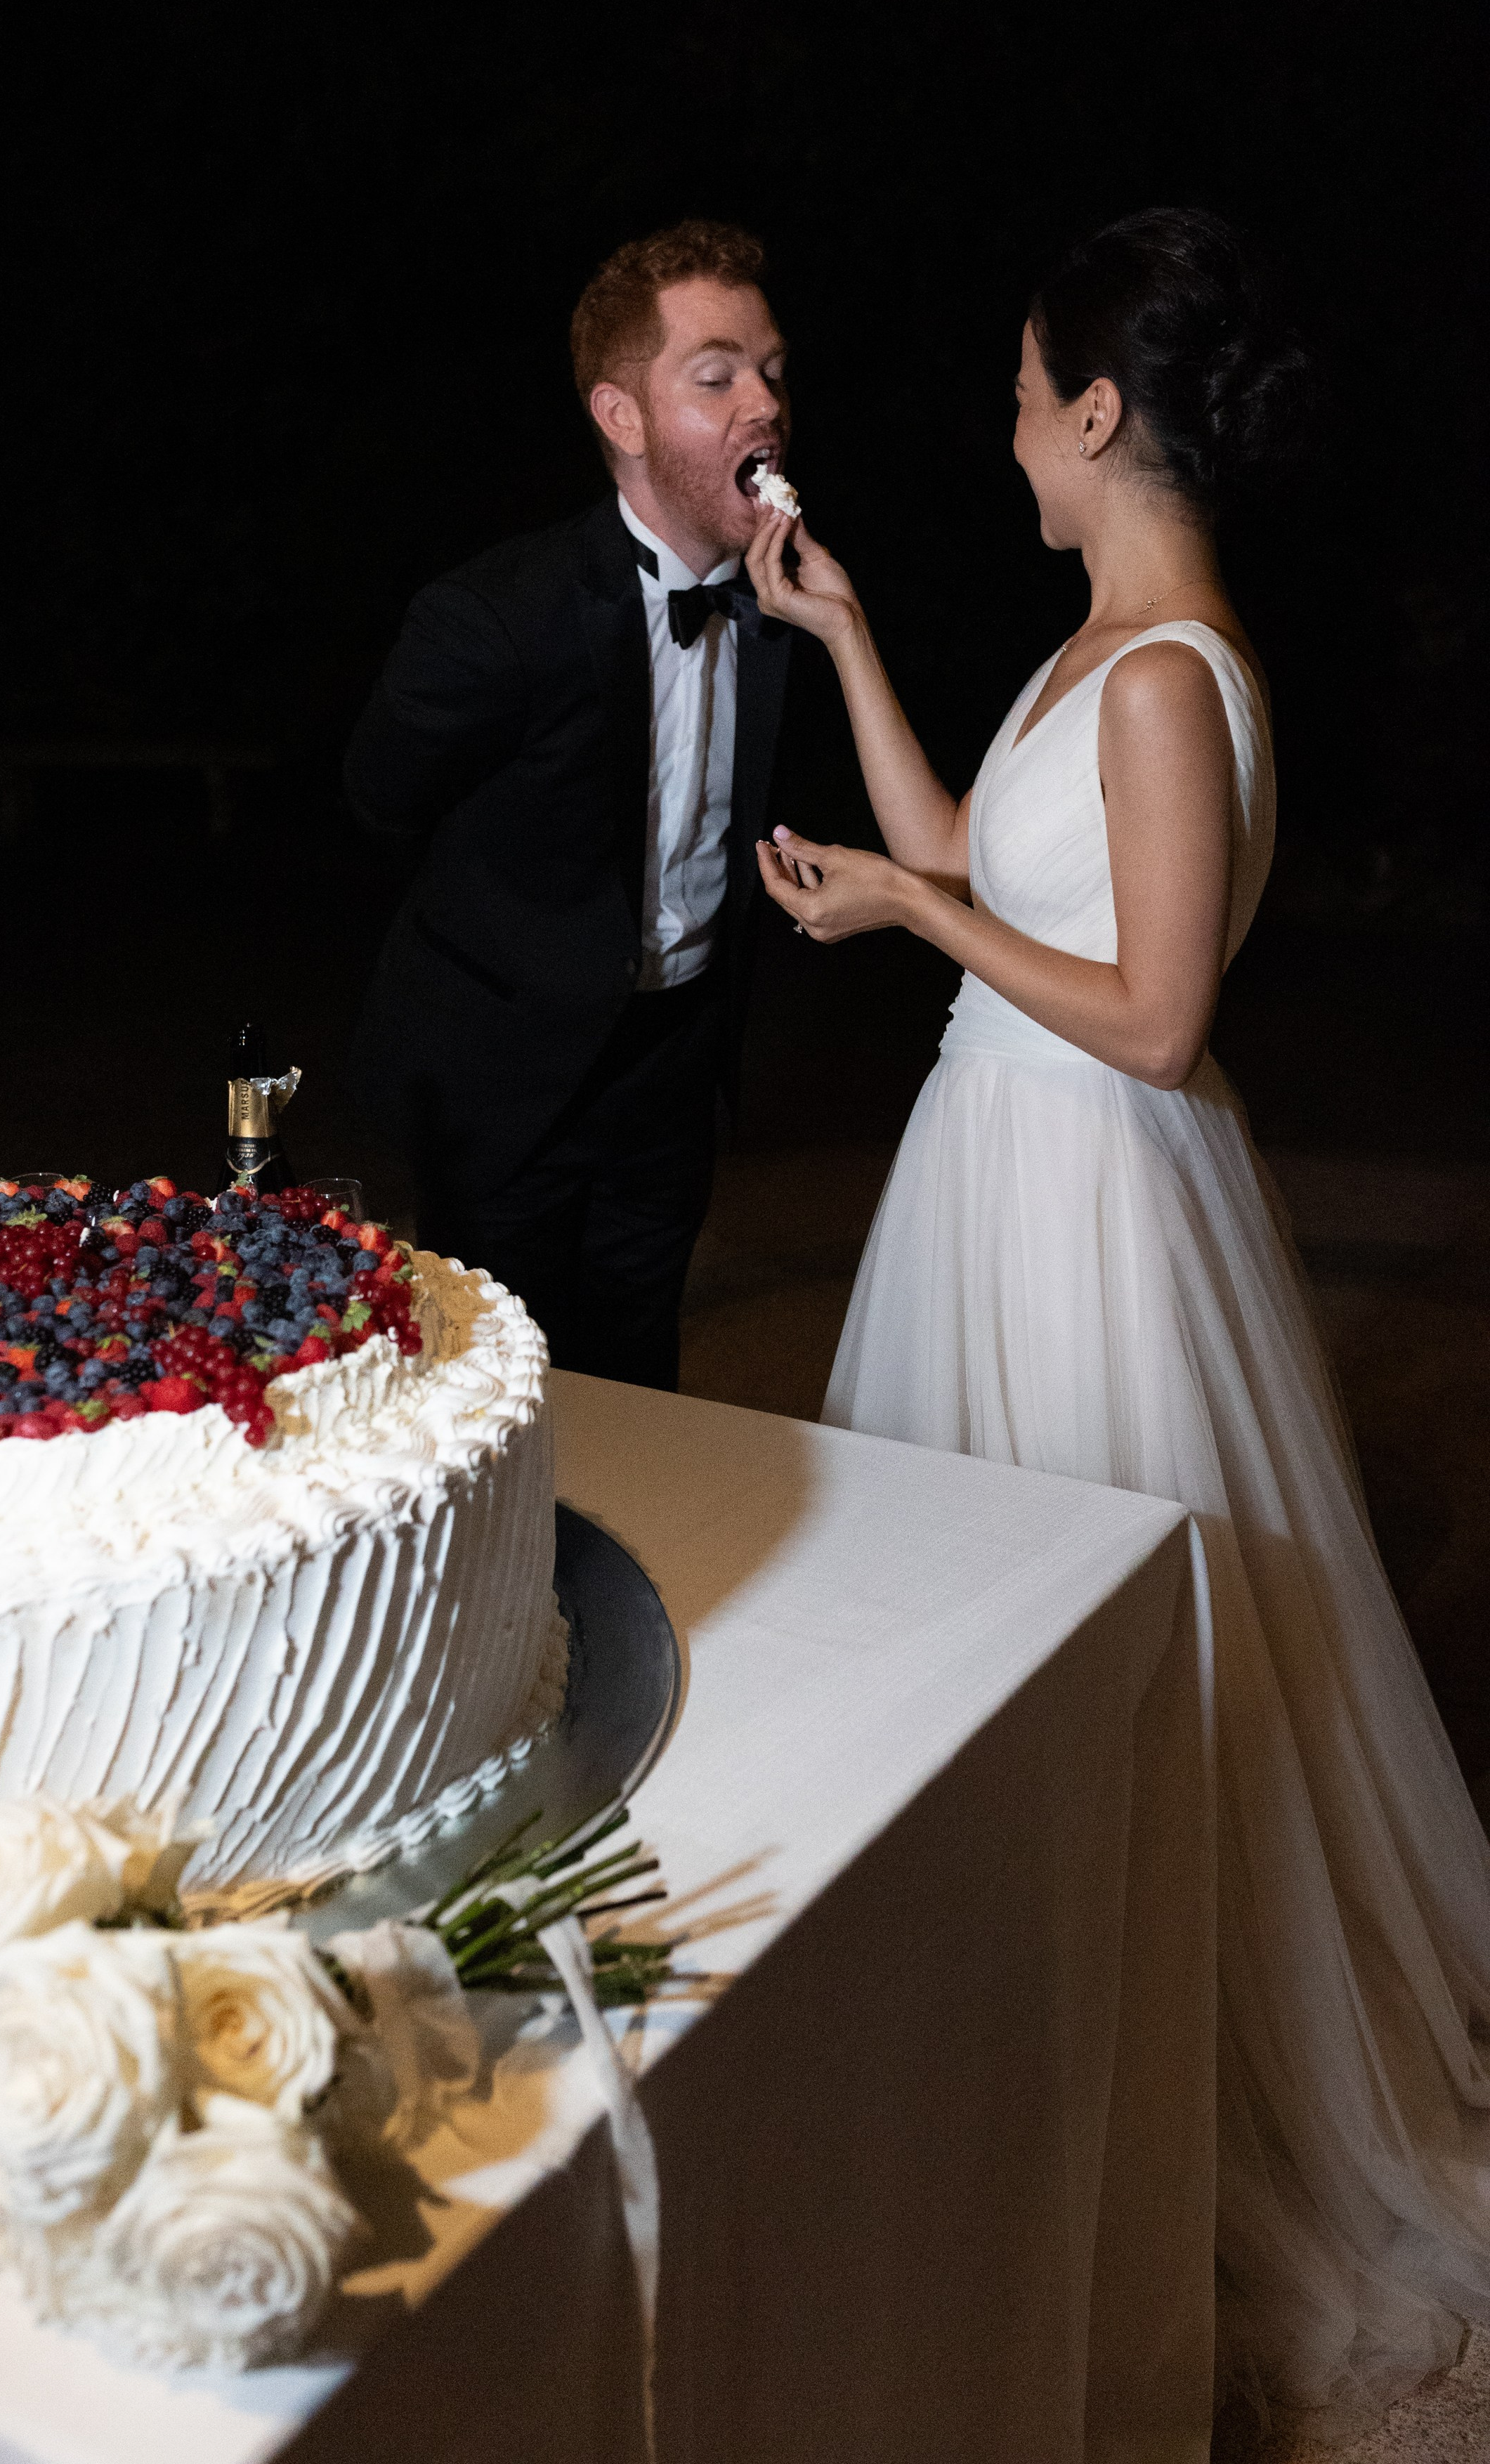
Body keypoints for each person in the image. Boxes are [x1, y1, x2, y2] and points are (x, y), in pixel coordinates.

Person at [748, 209, 1490, 2441]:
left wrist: (902, 915)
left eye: (1014, 398)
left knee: (1113, 1655)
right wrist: (858, 645)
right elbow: (976, 850)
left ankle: (1143, 2079)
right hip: (1001, 1171)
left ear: (1096, 412)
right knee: (994, 1646)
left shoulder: (1173, 674)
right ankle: (1013, 2036)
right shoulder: (1099, 646)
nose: (1003, 438)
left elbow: (1154, 1022)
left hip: (1095, 1198)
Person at [344, 219, 800, 1390]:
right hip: (511, 1077)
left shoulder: (785, 603)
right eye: (718, 376)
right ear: (623, 417)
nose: (764, 401)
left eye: (771, 371)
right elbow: (378, 798)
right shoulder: (495, 618)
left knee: (643, 1373)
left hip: (675, 1065)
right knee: (502, 1387)